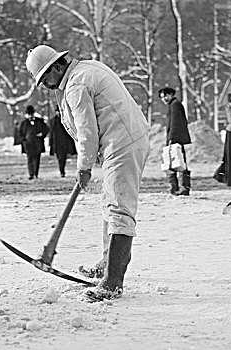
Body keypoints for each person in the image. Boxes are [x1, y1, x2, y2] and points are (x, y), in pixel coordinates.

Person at [26, 45, 150, 302]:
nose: (45, 85)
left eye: (45, 78)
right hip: (122, 142)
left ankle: (113, 282)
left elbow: (87, 131)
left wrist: (84, 167)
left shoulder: (76, 85)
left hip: (122, 144)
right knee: (110, 205)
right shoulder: (85, 69)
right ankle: (107, 264)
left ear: (57, 66)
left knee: (118, 209)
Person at [158, 87, 192, 195]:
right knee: (175, 162)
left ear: (171, 94)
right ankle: (177, 188)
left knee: (179, 162)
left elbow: (175, 123)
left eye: (165, 96)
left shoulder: (175, 105)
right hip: (175, 138)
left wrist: (172, 138)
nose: (164, 99)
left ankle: (181, 188)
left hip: (176, 138)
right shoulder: (173, 105)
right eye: (162, 97)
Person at [18, 105, 49, 180]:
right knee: (30, 159)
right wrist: (23, 140)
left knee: (37, 159)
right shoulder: (24, 123)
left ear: (33, 114)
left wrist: (42, 134)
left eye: (31, 114)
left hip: (37, 143)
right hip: (28, 144)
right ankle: (31, 174)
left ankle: (36, 173)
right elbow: (19, 133)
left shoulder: (40, 121)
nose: (30, 116)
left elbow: (46, 129)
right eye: (29, 114)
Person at [49, 107, 77, 177]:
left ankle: (62, 170)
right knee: (60, 157)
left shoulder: (66, 119)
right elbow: (51, 133)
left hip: (65, 142)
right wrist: (50, 142)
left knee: (63, 157)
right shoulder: (53, 121)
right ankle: (62, 170)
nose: (58, 113)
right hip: (57, 142)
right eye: (57, 111)